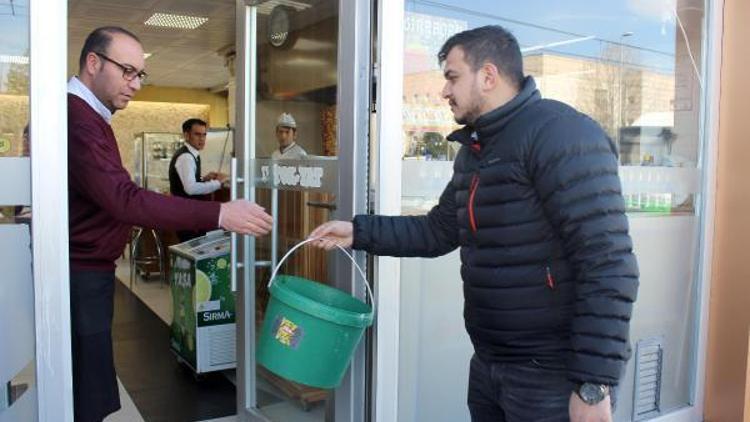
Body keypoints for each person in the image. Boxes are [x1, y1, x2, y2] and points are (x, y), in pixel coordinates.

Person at [310, 25, 639, 422]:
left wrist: (592, 383)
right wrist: (359, 232)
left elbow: (609, 263)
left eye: (451, 77)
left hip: (552, 375)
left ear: (488, 76)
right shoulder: (477, 150)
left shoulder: (561, 134)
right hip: (490, 363)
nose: (444, 91)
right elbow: (438, 230)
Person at [67, 26, 273, 422]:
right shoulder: (79, 120)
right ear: (93, 63)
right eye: (127, 71)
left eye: (139, 74)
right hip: (81, 274)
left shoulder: (91, 117)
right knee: (85, 394)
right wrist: (221, 212)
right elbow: (122, 198)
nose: (135, 84)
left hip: (90, 272)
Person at [169, 118, 227, 242]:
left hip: (187, 213)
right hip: (186, 214)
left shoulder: (192, 154)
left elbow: (188, 181)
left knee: (189, 252)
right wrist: (218, 183)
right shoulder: (186, 157)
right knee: (191, 251)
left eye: (204, 135)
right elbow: (190, 188)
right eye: (197, 134)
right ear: (186, 135)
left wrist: (203, 179)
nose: (202, 139)